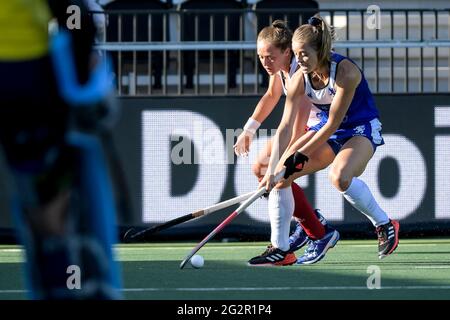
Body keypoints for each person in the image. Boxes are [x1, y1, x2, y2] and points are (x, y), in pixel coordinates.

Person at [0, 0, 122, 299]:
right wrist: (82, 70)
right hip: (22, 74)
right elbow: (74, 13)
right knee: (48, 209)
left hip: (20, 75)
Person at [260, 15, 400, 263]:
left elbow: (335, 122)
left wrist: (298, 156)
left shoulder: (346, 72)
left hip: (359, 128)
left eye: (304, 54)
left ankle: (384, 224)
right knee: (283, 175)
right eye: (296, 53)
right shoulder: (299, 79)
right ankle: (281, 249)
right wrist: (274, 169)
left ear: (320, 50)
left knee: (339, 177)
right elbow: (284, 127)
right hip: (327, 129)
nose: (299, 60)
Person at [233, 20, 339, 266]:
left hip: (320, 131)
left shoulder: (300, 73)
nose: (265, 63)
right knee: (259, 167)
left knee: (279, 176)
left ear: (286, 52)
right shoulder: (280, 70)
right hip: (303, 128)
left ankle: (311, 237)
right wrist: (249, 130)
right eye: (260, 57)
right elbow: (271, 95)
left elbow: (293, 129)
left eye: (270, 57)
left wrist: (278, 168)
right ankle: (315, 224)